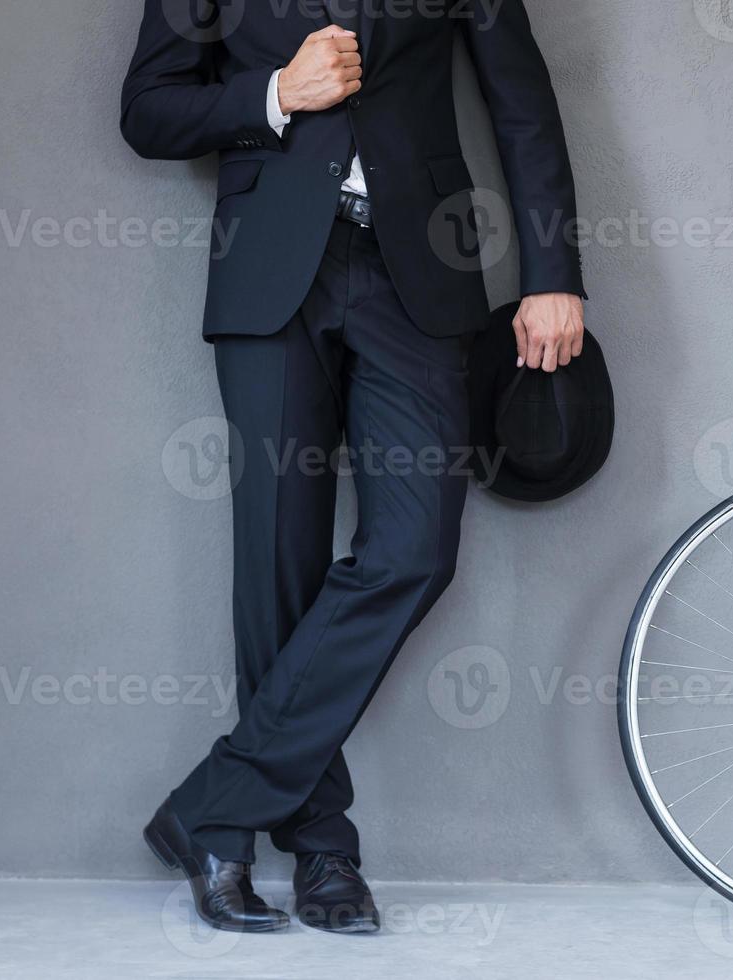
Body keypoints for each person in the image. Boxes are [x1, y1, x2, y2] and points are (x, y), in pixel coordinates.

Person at [120, 0, 587, 935]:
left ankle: (214, 806)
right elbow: (148, 110)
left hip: (416, 273)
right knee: (279, 565)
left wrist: (552, 272)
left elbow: (521, 101)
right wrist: (274, 94)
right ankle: (320, 847)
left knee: (415, 548)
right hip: (269, 272)